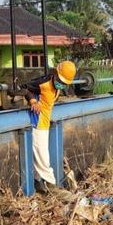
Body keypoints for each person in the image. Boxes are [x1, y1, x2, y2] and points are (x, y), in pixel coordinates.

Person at [21, 61, 77, 193]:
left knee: (39, 157)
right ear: (55, 73)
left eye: (64, 83)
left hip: (45, 124)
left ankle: (39, 186)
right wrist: (33, 100)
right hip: (37, 123)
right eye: (60, 80)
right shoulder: (44, 82)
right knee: (43, 158)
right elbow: (24, 87)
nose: (61, 84)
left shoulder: (58, 87)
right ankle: (53, 187)